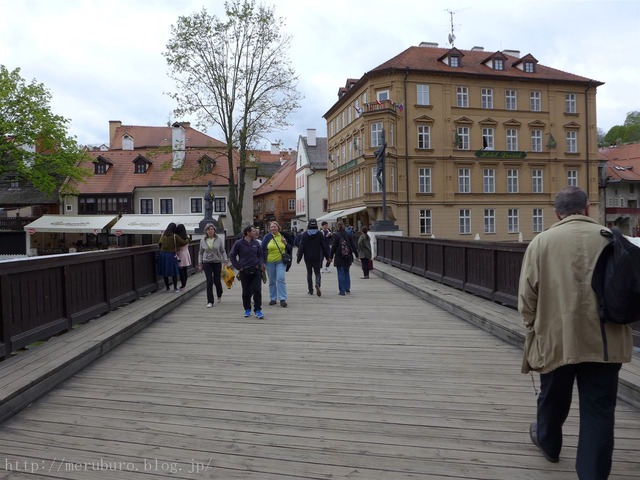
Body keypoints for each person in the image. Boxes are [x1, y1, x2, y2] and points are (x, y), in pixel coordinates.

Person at [518, 186, 633, 479]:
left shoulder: (542, 242)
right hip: (607, 340)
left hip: (557, 337)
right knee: (599, 412)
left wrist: (533, 327)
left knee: (553, 397)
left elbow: (527, 298)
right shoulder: (612, 239)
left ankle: (549, 443)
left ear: (557, 214)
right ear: (587, 209)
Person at [229, 225, 264, 319]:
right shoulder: (238, 243)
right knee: (246, 292)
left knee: (257, 290)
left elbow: (260, 255)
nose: (255, 233)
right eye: (253, 231)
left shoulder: (256, 243)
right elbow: (232, 256)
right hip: (244, 271)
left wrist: (261, 264)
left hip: (256, 270)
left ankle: (258, 309)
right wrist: (238, 267)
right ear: (248, 233)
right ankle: (247, 309)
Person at [296, 218, 329, 297]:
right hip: (317, 256)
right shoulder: (319, 234)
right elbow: (323, 246)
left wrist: (299, 258)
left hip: (308, 258)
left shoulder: (305, 234)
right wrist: (328, 257)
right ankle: (317, 283)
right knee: (317, 272)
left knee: (309, 273)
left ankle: (310, 290)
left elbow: (301, 247)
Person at [197, 223, 228, 307]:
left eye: (212, 229)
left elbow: (223, 251)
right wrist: (200, 263)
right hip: (206, 262)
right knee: (209, 281)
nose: (210, 231)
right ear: (206, 231)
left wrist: (225, 260)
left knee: (217, 281)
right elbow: (200, 252)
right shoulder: (202, 240)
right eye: (208, 229)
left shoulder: (219, 239)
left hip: (217, 262)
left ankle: (219, 293)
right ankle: (210, 301)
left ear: (214, 230)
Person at [261, 221, 290, 307]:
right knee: (272, 280)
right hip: (269, 262)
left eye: (275, 226)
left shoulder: (282, 236)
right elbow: (262, 250)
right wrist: (261, 262)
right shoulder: (266, 237)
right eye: (271, 227)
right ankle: (273, 298)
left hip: (281, 261)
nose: (273, 228)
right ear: (269, 229)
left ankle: (282, 299)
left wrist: (285, 243)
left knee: (280, 278)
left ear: (278, 227)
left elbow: (289, 248)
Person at [329, 221, 359, 296]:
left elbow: (333, 247)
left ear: (337, 227)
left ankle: (342, 291)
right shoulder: (349, 234)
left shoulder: (336, 235)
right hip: (348, 256)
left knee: (340, 273)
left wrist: (331, 257)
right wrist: (357, 255)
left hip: (339, 257)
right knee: (347, 272)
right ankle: (347, 288)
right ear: (344, 226)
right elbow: (353, 245)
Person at [157, 222, 189, 293]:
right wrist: (187, 238)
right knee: (173, 271)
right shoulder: (174, 236)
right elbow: (183, 242)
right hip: (171, 254)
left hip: (163, 254)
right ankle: (175, 288)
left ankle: (167, 288)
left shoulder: (163, 235)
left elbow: (159, 243)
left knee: (165, 272)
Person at [175, 224, 192, 290]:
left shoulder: (177, 237)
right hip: (186, 253)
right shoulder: (187, 236)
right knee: (185, 270)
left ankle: (183, 285)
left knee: (181, 270)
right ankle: (184, 284)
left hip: (180, 253)